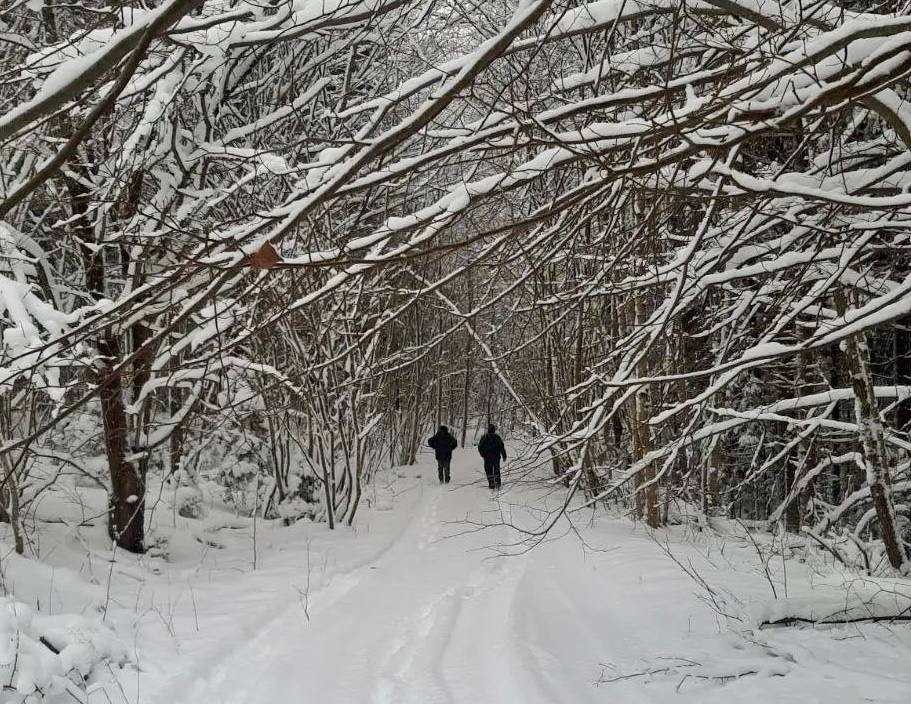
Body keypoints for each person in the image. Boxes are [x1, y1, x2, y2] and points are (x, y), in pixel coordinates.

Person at [478, 423, 507, 490]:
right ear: (494, 430)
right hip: (496, 457)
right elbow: (502, 447)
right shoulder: (497, 437)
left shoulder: (484, 437)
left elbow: (480, 447)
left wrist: (483, 454)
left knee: (488, 470)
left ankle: (491, 483)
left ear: (488, 430)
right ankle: (497, 483)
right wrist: (504, 455)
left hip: (487, 457)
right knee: (496, 470)